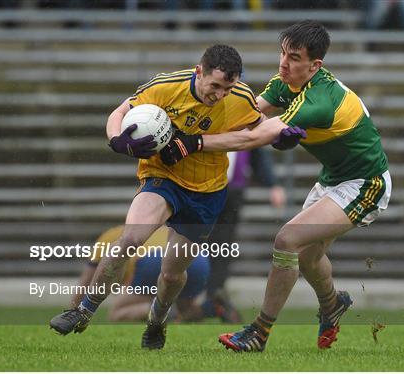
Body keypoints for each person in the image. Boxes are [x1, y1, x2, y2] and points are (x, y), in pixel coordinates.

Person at [160, 20, 391, 352]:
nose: (284, 63)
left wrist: (193, 143)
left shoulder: (319, 100)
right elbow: (246, 116)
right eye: (283, 53)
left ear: (315, 66)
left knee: (287, 240)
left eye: (294, 57)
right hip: (333, 179)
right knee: (310, 258)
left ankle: (259, 332)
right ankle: (332, 303)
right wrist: (187, 120)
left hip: (366, 183)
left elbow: (256, 136)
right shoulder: (285, 82)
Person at [49, 44, 295, 350]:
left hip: (207, 191)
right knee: (129, 240)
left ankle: (157, 321)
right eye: (215, 85)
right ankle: (83, 310)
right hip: (161, 177)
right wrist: (117, 141)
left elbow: (259, 130)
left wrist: (281, 136)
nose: (219, 94)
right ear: (199, 72)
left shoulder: (241, 97)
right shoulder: (166, 86)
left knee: (172, 273)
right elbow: (121, 111)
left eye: (227, 88)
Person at [201, 149, 286, 323]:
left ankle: (213, 296)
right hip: (203, 189)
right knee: (199, 242)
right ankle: (202, 297)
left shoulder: (246, 123)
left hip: (233, 191)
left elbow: (258, 152)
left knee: (222, 246)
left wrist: (273, 184)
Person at [71, 225, 210, 323]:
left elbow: (86, 280)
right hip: (199, 260)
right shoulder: (165, 228)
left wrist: (73, 311)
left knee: (116, 313)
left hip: (154, 261)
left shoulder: (113, 235)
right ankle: (211, 308)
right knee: (184, 306)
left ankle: (156, 309)